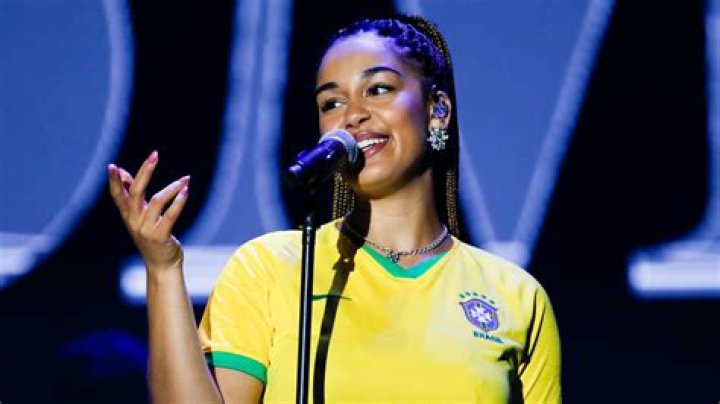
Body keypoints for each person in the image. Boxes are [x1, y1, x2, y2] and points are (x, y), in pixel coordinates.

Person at [108, 15, 561, 403]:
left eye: (378, 89)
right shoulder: (270, 268)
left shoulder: (515, 296)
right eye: (332, 102)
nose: (353, 115)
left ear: (437, 109)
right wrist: (163, 270)